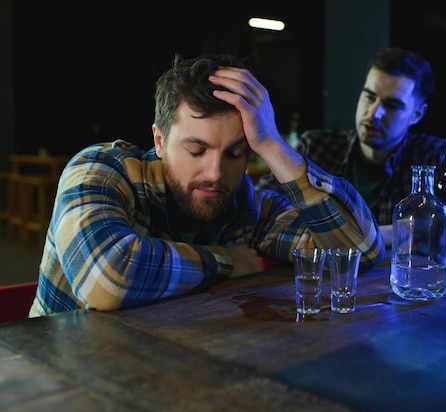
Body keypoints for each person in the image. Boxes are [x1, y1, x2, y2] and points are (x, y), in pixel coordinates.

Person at [29, 53, 384, 317]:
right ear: (159, 139)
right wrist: (229, 261)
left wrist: (273, 144)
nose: (215, 173)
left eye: (234, 153)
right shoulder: (99, 170)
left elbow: (360, 253)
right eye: (197, 150)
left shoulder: (245, 203)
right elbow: (107, 281)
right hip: (54, 383)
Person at [257, 47, 446, 247]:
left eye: (391, 105)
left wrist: (402, 232)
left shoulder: (434, 158)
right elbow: (260, 207)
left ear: (417, 114)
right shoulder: (316, 146)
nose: (374, 113)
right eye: (369, 97)